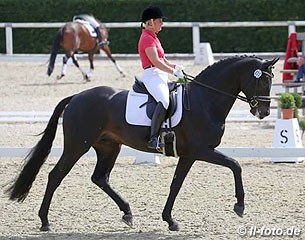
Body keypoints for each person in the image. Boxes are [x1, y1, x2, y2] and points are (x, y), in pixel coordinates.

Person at [138, 5, 185, 150]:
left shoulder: (154, 38)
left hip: (160, 74)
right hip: (152, 75)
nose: (162, 23)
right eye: (160, 21)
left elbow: (163, 59)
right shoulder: (147, 39)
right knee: (164, 101)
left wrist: (175, 66)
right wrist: (172, 72)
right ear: (150, 22)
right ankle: (153, 138)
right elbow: (156, 62)